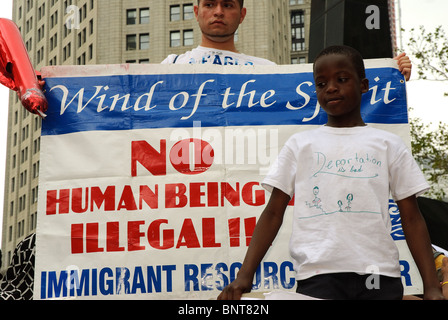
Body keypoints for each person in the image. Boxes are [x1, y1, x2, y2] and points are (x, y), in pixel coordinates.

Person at [218, 45, 444, 300]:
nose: (331, 88)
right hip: (318, 276)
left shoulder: (388, 144)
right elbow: (272, 213)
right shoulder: (300, 145)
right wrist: (244, 276)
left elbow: (412, 218)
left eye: (342, 79)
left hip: (379, 275)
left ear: (363, 85)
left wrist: (432, 287)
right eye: (321, 83)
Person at [162, 0, 275, 66]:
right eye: (209, 5)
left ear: (242, 15)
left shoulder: (267, 69)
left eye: (227, 5)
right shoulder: (171, 64)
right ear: (196, 13)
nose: (218, 12)